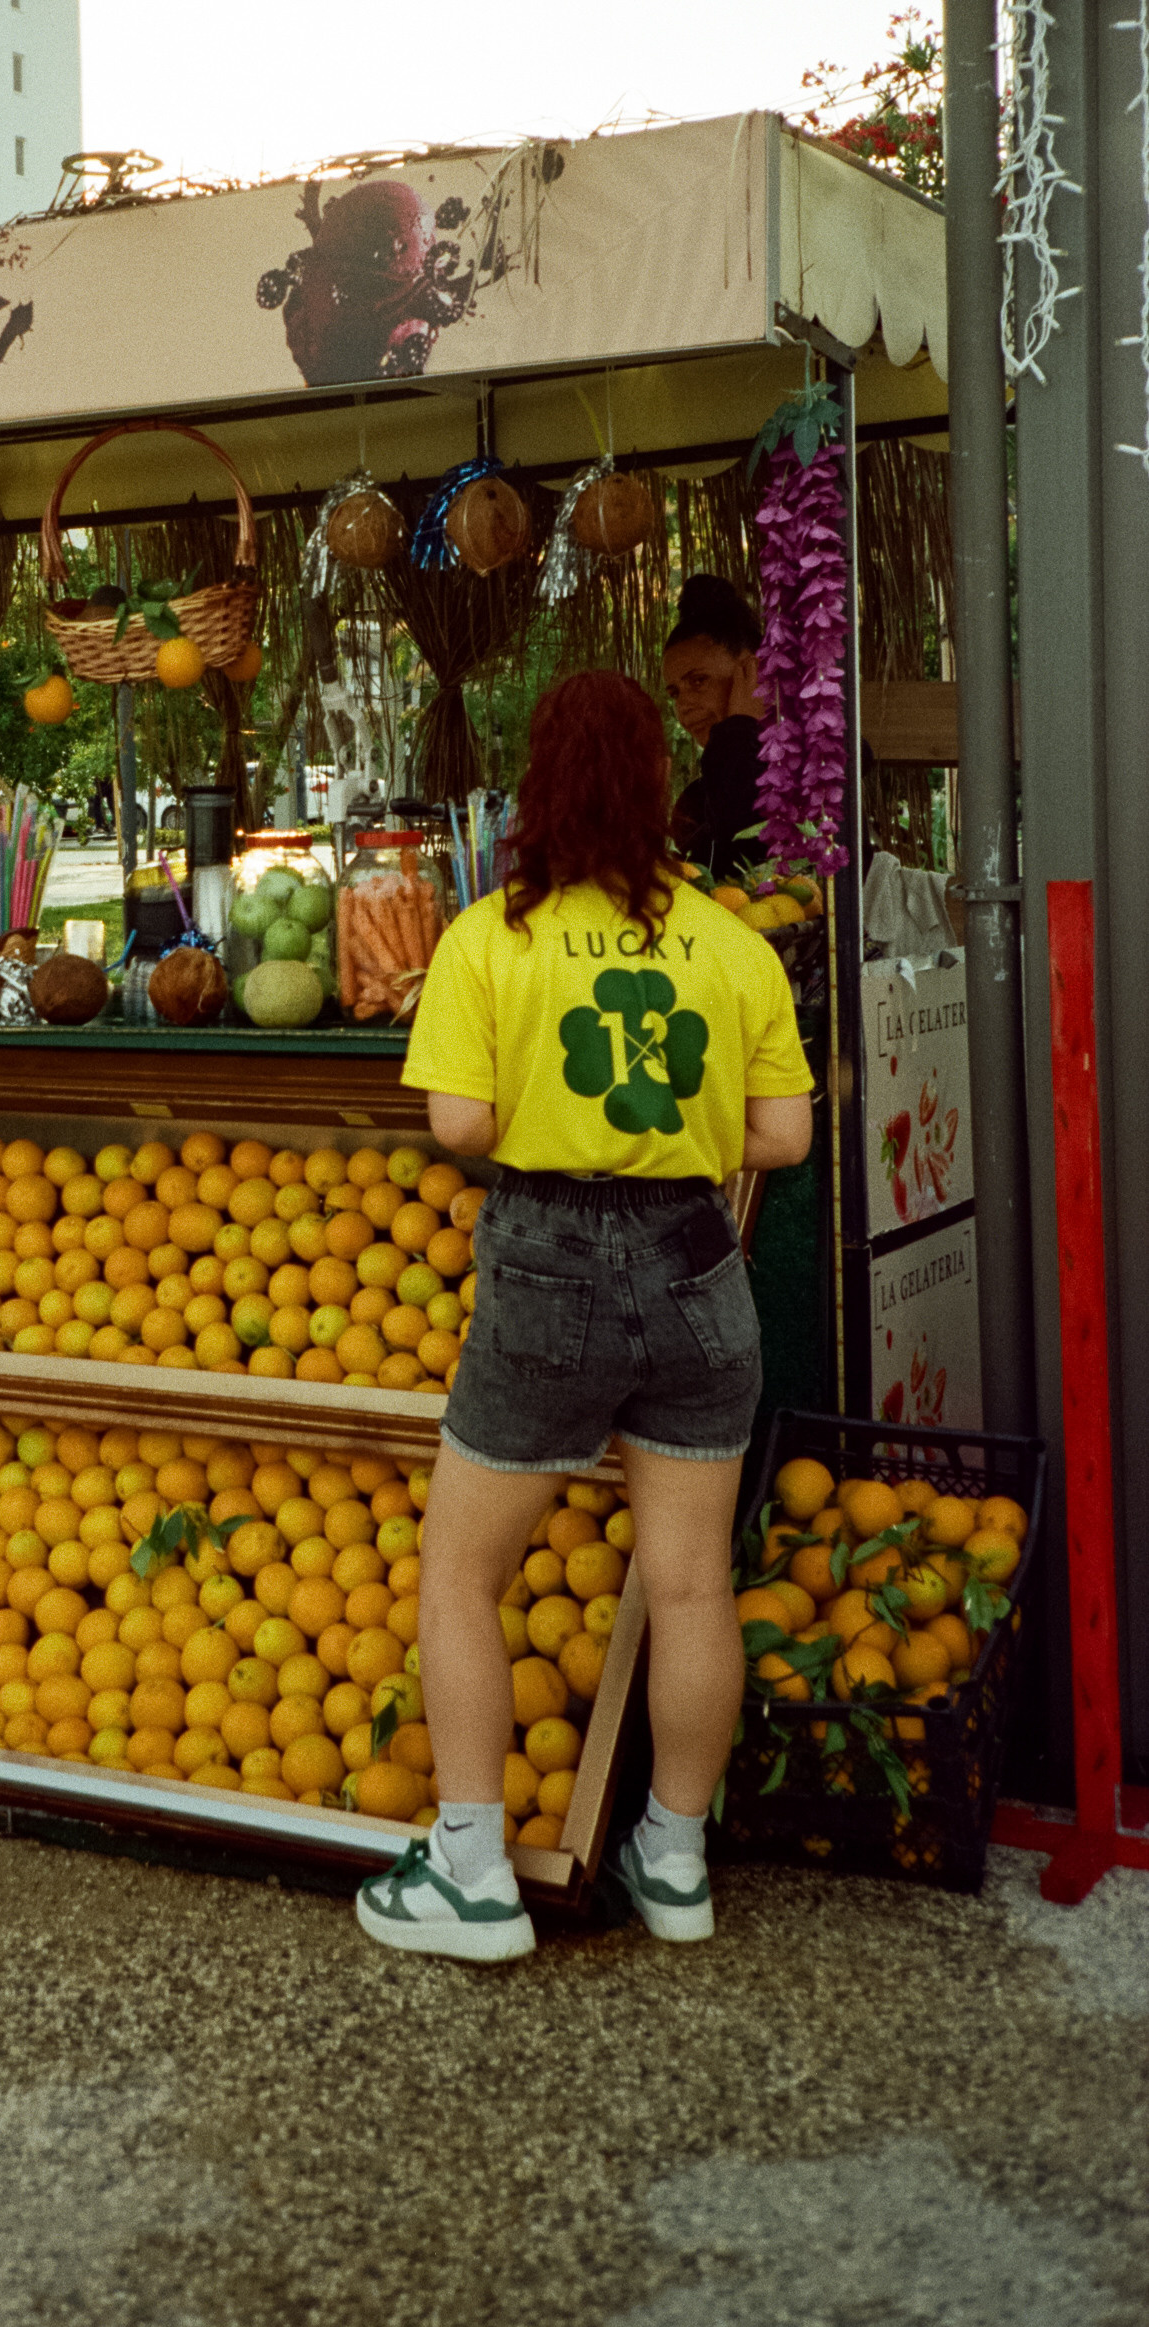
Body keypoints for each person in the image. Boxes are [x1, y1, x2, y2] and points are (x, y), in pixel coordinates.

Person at [356, 670, 815, 1967]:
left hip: (545, 1267)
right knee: (686, 1582)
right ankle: (671, 1862)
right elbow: (778, 1133)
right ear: (655, 785)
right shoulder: (729, 941)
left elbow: (452, 1120)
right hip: (692, 1262)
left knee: (459, 1572)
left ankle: (470, 1877)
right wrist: (665, 1126)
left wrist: (560, 1125)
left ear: (538, 784)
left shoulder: (487, 937)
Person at [662, 574, 767, 883]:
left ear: (754, 673)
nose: (684, 706)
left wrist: (739, 730)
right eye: (675, 693)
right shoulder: (695, 802)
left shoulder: (821, 772)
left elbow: (750, 859)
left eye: (698, 681)